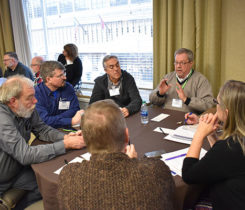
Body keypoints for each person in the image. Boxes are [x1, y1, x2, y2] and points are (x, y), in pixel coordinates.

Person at [57, 99, 175, 209]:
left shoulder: (68, 176)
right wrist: (133, 163)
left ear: (85, 139)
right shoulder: (156, 171)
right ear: (127, 135)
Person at [0, 75, 85, 209]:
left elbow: (43, 130)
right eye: (30, 97)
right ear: (12, 101)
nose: (35, 101)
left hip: (17, 171)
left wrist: (66, 137)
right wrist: (65, 145)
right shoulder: (2, 119)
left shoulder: (26, 108)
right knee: (49, 185)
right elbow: (25, 155)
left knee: (47, 186)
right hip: (3, 179)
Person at [182, 80, 245, 210]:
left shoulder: (230, 147)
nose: (215, 106)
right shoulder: (237, 143)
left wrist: (199, 134)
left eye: (217, 102)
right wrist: (210, 133)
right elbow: (223, 161)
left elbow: (188, 174)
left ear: (226, 112)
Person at [149, 48, 214, 114]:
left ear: (191, 63)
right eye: (176, 62)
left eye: (182, 63)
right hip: (166, 115)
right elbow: (152, 100)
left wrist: (186, 99)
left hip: (188, 118)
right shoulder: (168, 77)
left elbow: (208, 104)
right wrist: (160, 94)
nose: (178, 66)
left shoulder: (201, 80)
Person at [35, 61, 83, 128]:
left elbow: (75, 109)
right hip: (47, 131)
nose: (65, 78)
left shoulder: (68, 87)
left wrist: (54, 119)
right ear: (48, 79)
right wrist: (69, 120)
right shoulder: (37, 93)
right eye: (60, 76)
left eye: (64, 74)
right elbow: (44, 121)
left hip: (67, 128)